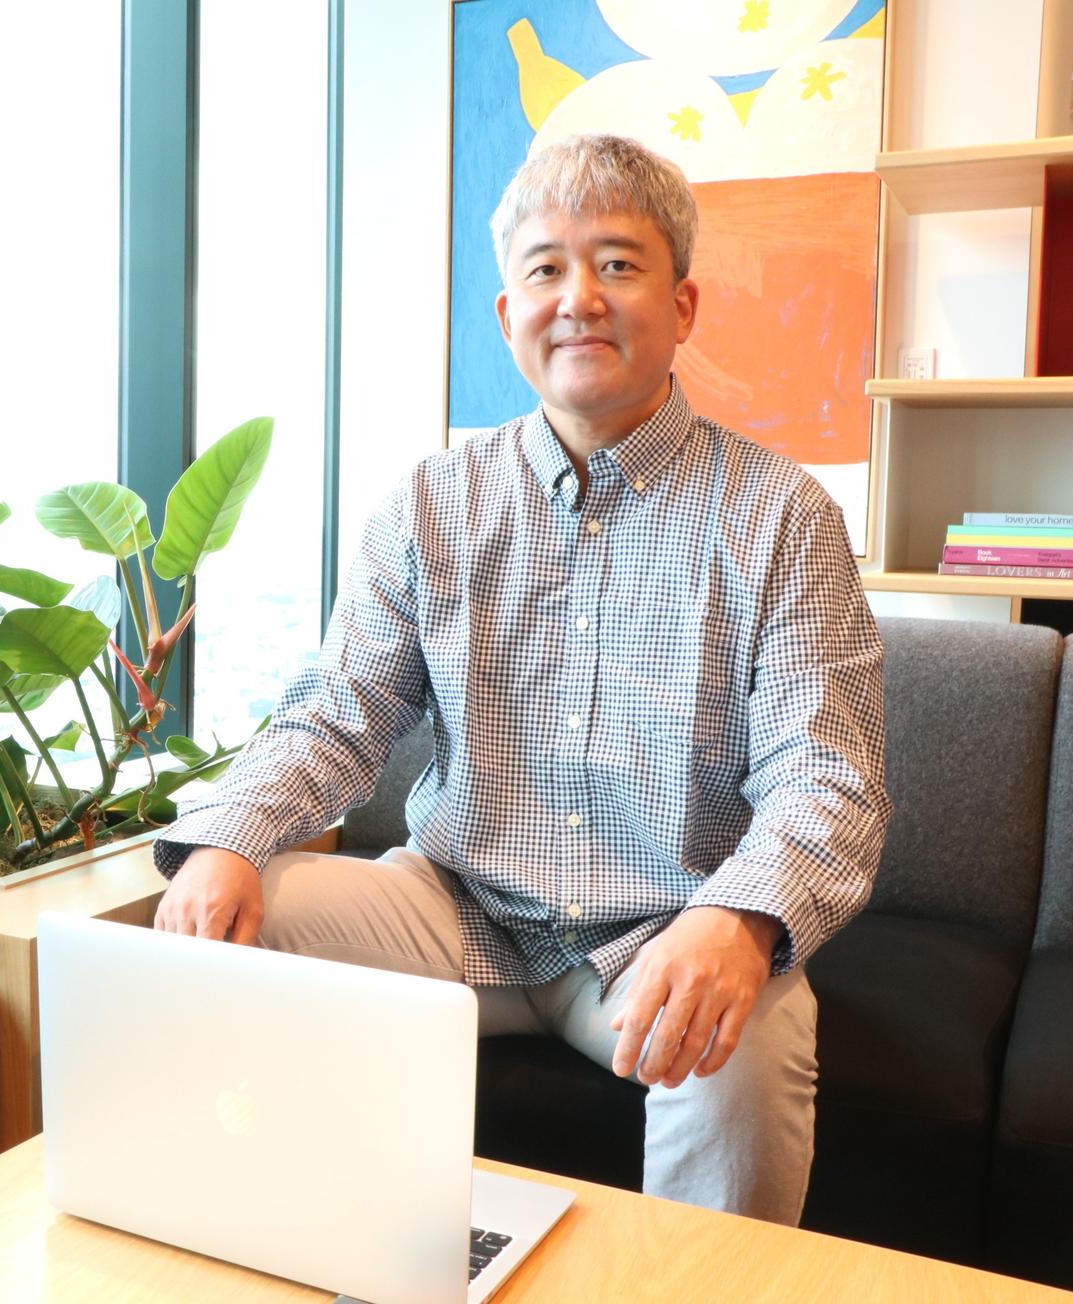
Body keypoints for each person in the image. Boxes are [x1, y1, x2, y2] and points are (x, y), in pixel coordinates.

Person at [151, 133, 891, 1225]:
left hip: (665, 924)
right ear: (509, 316)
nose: (578, 297)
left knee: (744, 1039)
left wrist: (738, 920)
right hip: (454, 908)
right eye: (546, 268)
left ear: (682, 304)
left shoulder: (782, 517)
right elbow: (339, 713)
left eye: (618, 264)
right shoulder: (431, 504)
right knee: (229, 924)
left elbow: (829, 779)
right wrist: (230, 836)